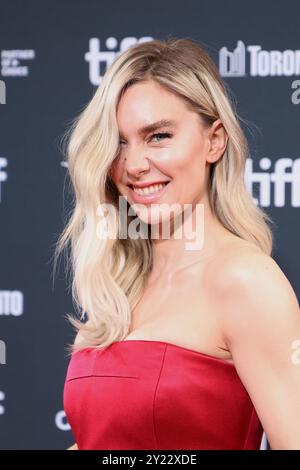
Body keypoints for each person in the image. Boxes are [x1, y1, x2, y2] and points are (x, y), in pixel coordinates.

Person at [53, 37, 300, 450]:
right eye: (118, 142)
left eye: (158, 136)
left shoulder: (244, 280)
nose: (133, 165)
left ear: (214, 141)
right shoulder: (118, 288)